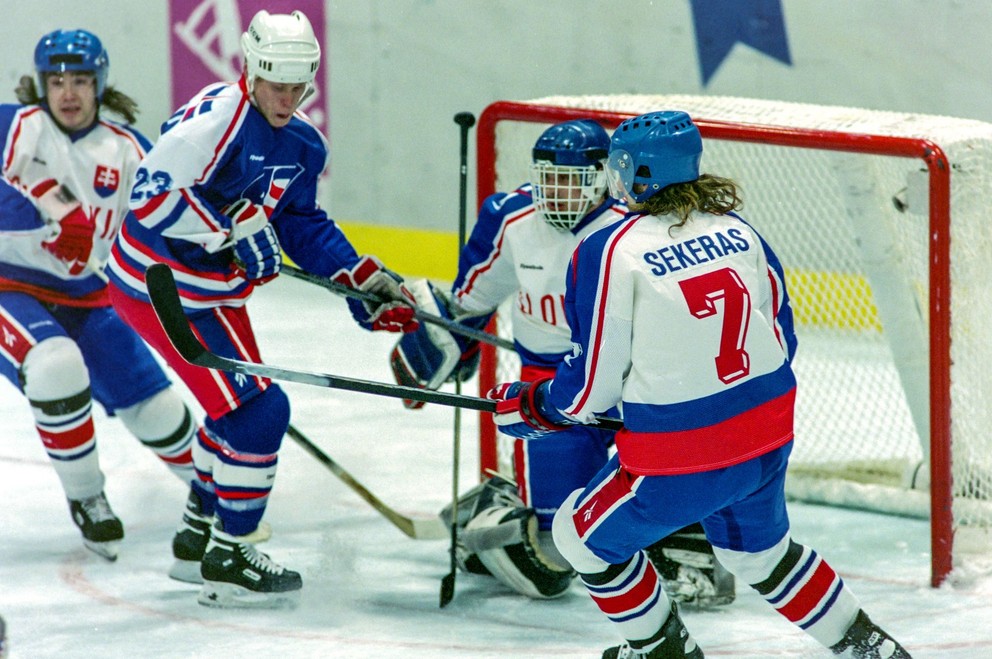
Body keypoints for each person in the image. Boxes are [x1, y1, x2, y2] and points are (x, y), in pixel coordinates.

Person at [487, 111, 912, 658]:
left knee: (578, 537)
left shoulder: (611, 249)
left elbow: (587, 390)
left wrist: (532, 407)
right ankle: (870, 647)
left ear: (637, 173)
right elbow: (781, 338)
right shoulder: (740, 230)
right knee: (760, 556)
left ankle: (663, 652)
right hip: (766, 435)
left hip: (679, 456)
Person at [106, 10, 418, 609]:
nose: (287, 97)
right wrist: (226, 229)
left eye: (298, 86)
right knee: (259, 413)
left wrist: (357, 275)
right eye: (277, 84)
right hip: (159, 288)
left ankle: (197, 540)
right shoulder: (217, 123)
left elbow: (300, 222)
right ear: (251, 70)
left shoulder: (304, 142)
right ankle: (230, 552)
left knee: (238, 412)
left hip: (212, 294)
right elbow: (149, 198)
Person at [390, 119, 734, 606]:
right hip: (550, 390)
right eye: (548, 178)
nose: (556, 192)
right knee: (556, 550)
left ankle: (684, 543)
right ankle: (499, 516)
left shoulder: (631, 229)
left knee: (666, 472)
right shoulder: (510, 218)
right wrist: (439, 334)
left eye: (571, 179)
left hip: (632, 383)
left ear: (602, 177)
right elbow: (469, 303)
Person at [0, 29, 198, 561]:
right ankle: (88, 498)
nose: (68, 92)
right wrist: (46, 225)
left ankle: (217, 492)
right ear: (42, 84)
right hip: (10, 286)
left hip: (92, 295)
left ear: (100, 83)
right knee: (55, 365)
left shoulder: (130, 150)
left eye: (81, 80)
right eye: (57, 80)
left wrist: (209, 252)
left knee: (155, 407)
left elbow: (167, 224)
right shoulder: (11, 126)